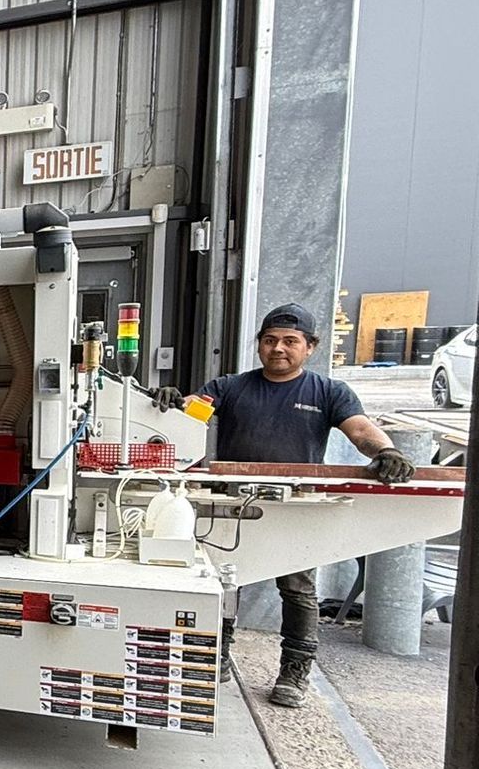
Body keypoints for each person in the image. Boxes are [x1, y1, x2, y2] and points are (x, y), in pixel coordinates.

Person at [157, 302, 416, 708]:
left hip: (295, 507)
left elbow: (361, 429)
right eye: (270, 340)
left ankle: (295, 671)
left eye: (290, 341)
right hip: (234, 503)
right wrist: (170, 404)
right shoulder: (230, 387)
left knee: (298, 591)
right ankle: (217, 657)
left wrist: (385, 451)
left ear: (309, 346)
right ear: (259, 345)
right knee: (225, 584)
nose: (279, 348)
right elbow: (192, 410)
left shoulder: (329, 392)